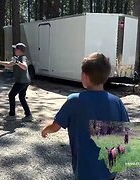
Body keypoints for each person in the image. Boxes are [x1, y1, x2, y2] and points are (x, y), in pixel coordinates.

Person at [41, 52, 129, 180]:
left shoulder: (74, 101)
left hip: (85, 170)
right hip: (109, 170)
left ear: (86, 77)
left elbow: (55, 126)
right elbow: (126, 134)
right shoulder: (117, 102)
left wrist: (45, 130)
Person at [0, 43, 32, 120]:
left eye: (16, 49)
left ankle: (12, 115)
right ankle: (28, 115)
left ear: (19, 50)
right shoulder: (18, 58)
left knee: (11, 95)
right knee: (21, 97)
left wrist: (17, 62)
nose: (14, 50)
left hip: (22, 81)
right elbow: (9, 64)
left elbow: (24, 67)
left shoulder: (22, 58)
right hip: (25, 81)